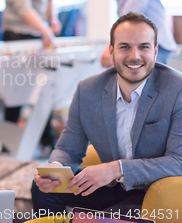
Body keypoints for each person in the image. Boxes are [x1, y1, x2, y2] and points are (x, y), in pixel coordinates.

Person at [31, 12, 182, 214]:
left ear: (155, 51)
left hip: (155, 190)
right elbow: (68, 149)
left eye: (143, 47)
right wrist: (54, 169)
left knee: (110, 216)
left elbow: (178, 161)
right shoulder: (88, 90)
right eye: (125, 47)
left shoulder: (176, 89)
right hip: (112, 186)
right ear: (111, 51)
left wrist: (115, 169)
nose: (134, 56)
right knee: (44, 191)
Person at [1, 0, 61, 148]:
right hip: (17, 35)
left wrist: (51, 19)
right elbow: (20, 5)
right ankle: (6, 145)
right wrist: (44, 29)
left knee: (42, 88)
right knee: (15, 90)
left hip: (38, 34)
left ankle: (46, 140)